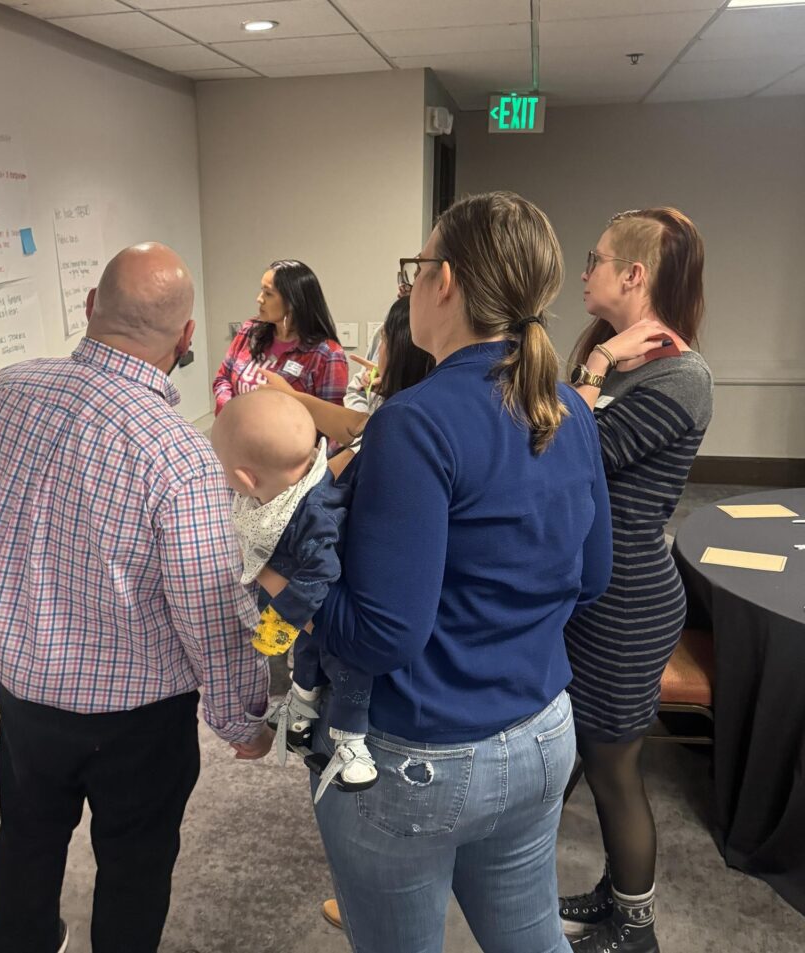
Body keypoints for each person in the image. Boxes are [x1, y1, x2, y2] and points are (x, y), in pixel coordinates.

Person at [259, 191, 613, 953]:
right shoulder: (568, 407)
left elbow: (382, 634)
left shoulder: (414, 421)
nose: (412, 284)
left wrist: (291, 582)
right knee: (531, 939)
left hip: (424, 757)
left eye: (415, 268)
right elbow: (593, 574)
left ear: (443, 280)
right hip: (545, 732)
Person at [0, 242, 271, 953]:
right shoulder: (177, 454)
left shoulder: (4, 391)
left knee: (25, 837)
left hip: (24, 694)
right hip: (139, 721)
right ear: (184, 338)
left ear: (91, 307)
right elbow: (207, 610)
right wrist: (240, 718)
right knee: (135, 863)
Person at [560, 208, 713, 953]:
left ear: (634, 275)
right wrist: (595, 367)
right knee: (588, 752)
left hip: (629, 600)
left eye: (595, 258)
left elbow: (560, 452)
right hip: (594, 590)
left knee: (614, 765)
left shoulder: (680, 376)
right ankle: (612, 891)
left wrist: (588, 376)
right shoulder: (620, 358)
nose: (583, 270)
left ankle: (638, 930)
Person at [211, 388, 379, 800]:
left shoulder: (315, 514)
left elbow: (323, 571)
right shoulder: (286, 492)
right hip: (301, 609)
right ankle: (302, 705)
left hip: (327, 612)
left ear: (247, 479)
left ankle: (351, 745)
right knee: (304, 657)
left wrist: (281, 621)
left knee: (344, 672)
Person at [260, 296, 433, 477]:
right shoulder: (403, 412)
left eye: (384, 339)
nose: (260, 299)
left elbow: (358, 432)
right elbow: (359, 425)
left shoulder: (394, 429)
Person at [212, 259, 348, 415]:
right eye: (261, 291)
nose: (259, 298)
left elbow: (332, 422)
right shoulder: (250, 331)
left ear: (292, 302)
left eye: (268, 293)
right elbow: (222, 379)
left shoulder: (327, 355)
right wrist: (230, 410)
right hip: (237, 433)